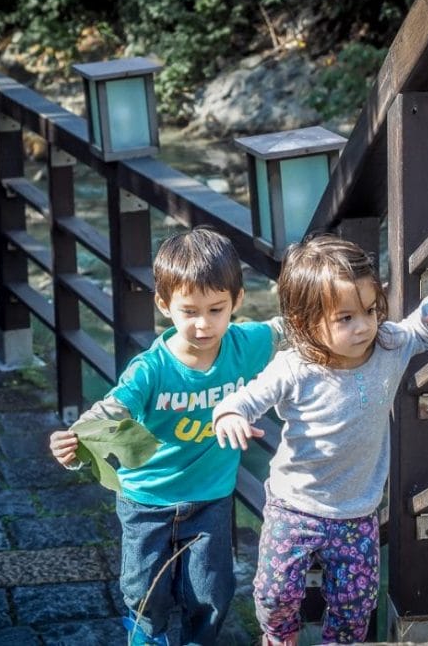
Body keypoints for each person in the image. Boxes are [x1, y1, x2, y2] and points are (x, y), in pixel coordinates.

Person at [212, 234, 428, 645]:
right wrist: (230, 414)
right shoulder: (295, 366)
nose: (365, 326)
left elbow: (418, 332)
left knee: (356, 603)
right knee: (274, 593)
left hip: (357, 510)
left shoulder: (387, 345)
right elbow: (248, 398)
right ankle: (278, 637)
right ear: (304, 323)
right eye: (346, 318)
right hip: (294, 505)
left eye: (371, 310)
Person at [49, 226, 283, 646]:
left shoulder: (247, 344)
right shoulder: (150, 369)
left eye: (216, 309)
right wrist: (74, 444)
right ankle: (147, 637)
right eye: (189, 311)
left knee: (211, 592)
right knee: (143, 591)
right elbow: (109, 412)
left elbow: (292, 328)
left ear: (238, 302)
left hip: (211, 496)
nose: (203, 324)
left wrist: (351, 314)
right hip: (146, 499)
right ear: (164, 304)